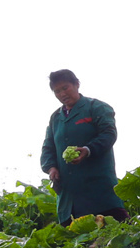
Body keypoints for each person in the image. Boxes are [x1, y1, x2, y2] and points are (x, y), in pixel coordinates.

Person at [40, 69, 126, 223]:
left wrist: (87, 150)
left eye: (65, 88)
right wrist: (51, 167)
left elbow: (109, 134)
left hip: (100, 192)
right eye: (57, 91)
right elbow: (48, 148)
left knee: (114, 234)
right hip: (70, 199)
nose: (62, 94)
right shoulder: (56, 118)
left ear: (77, 84)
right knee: (77, 242)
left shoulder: (96, 107)